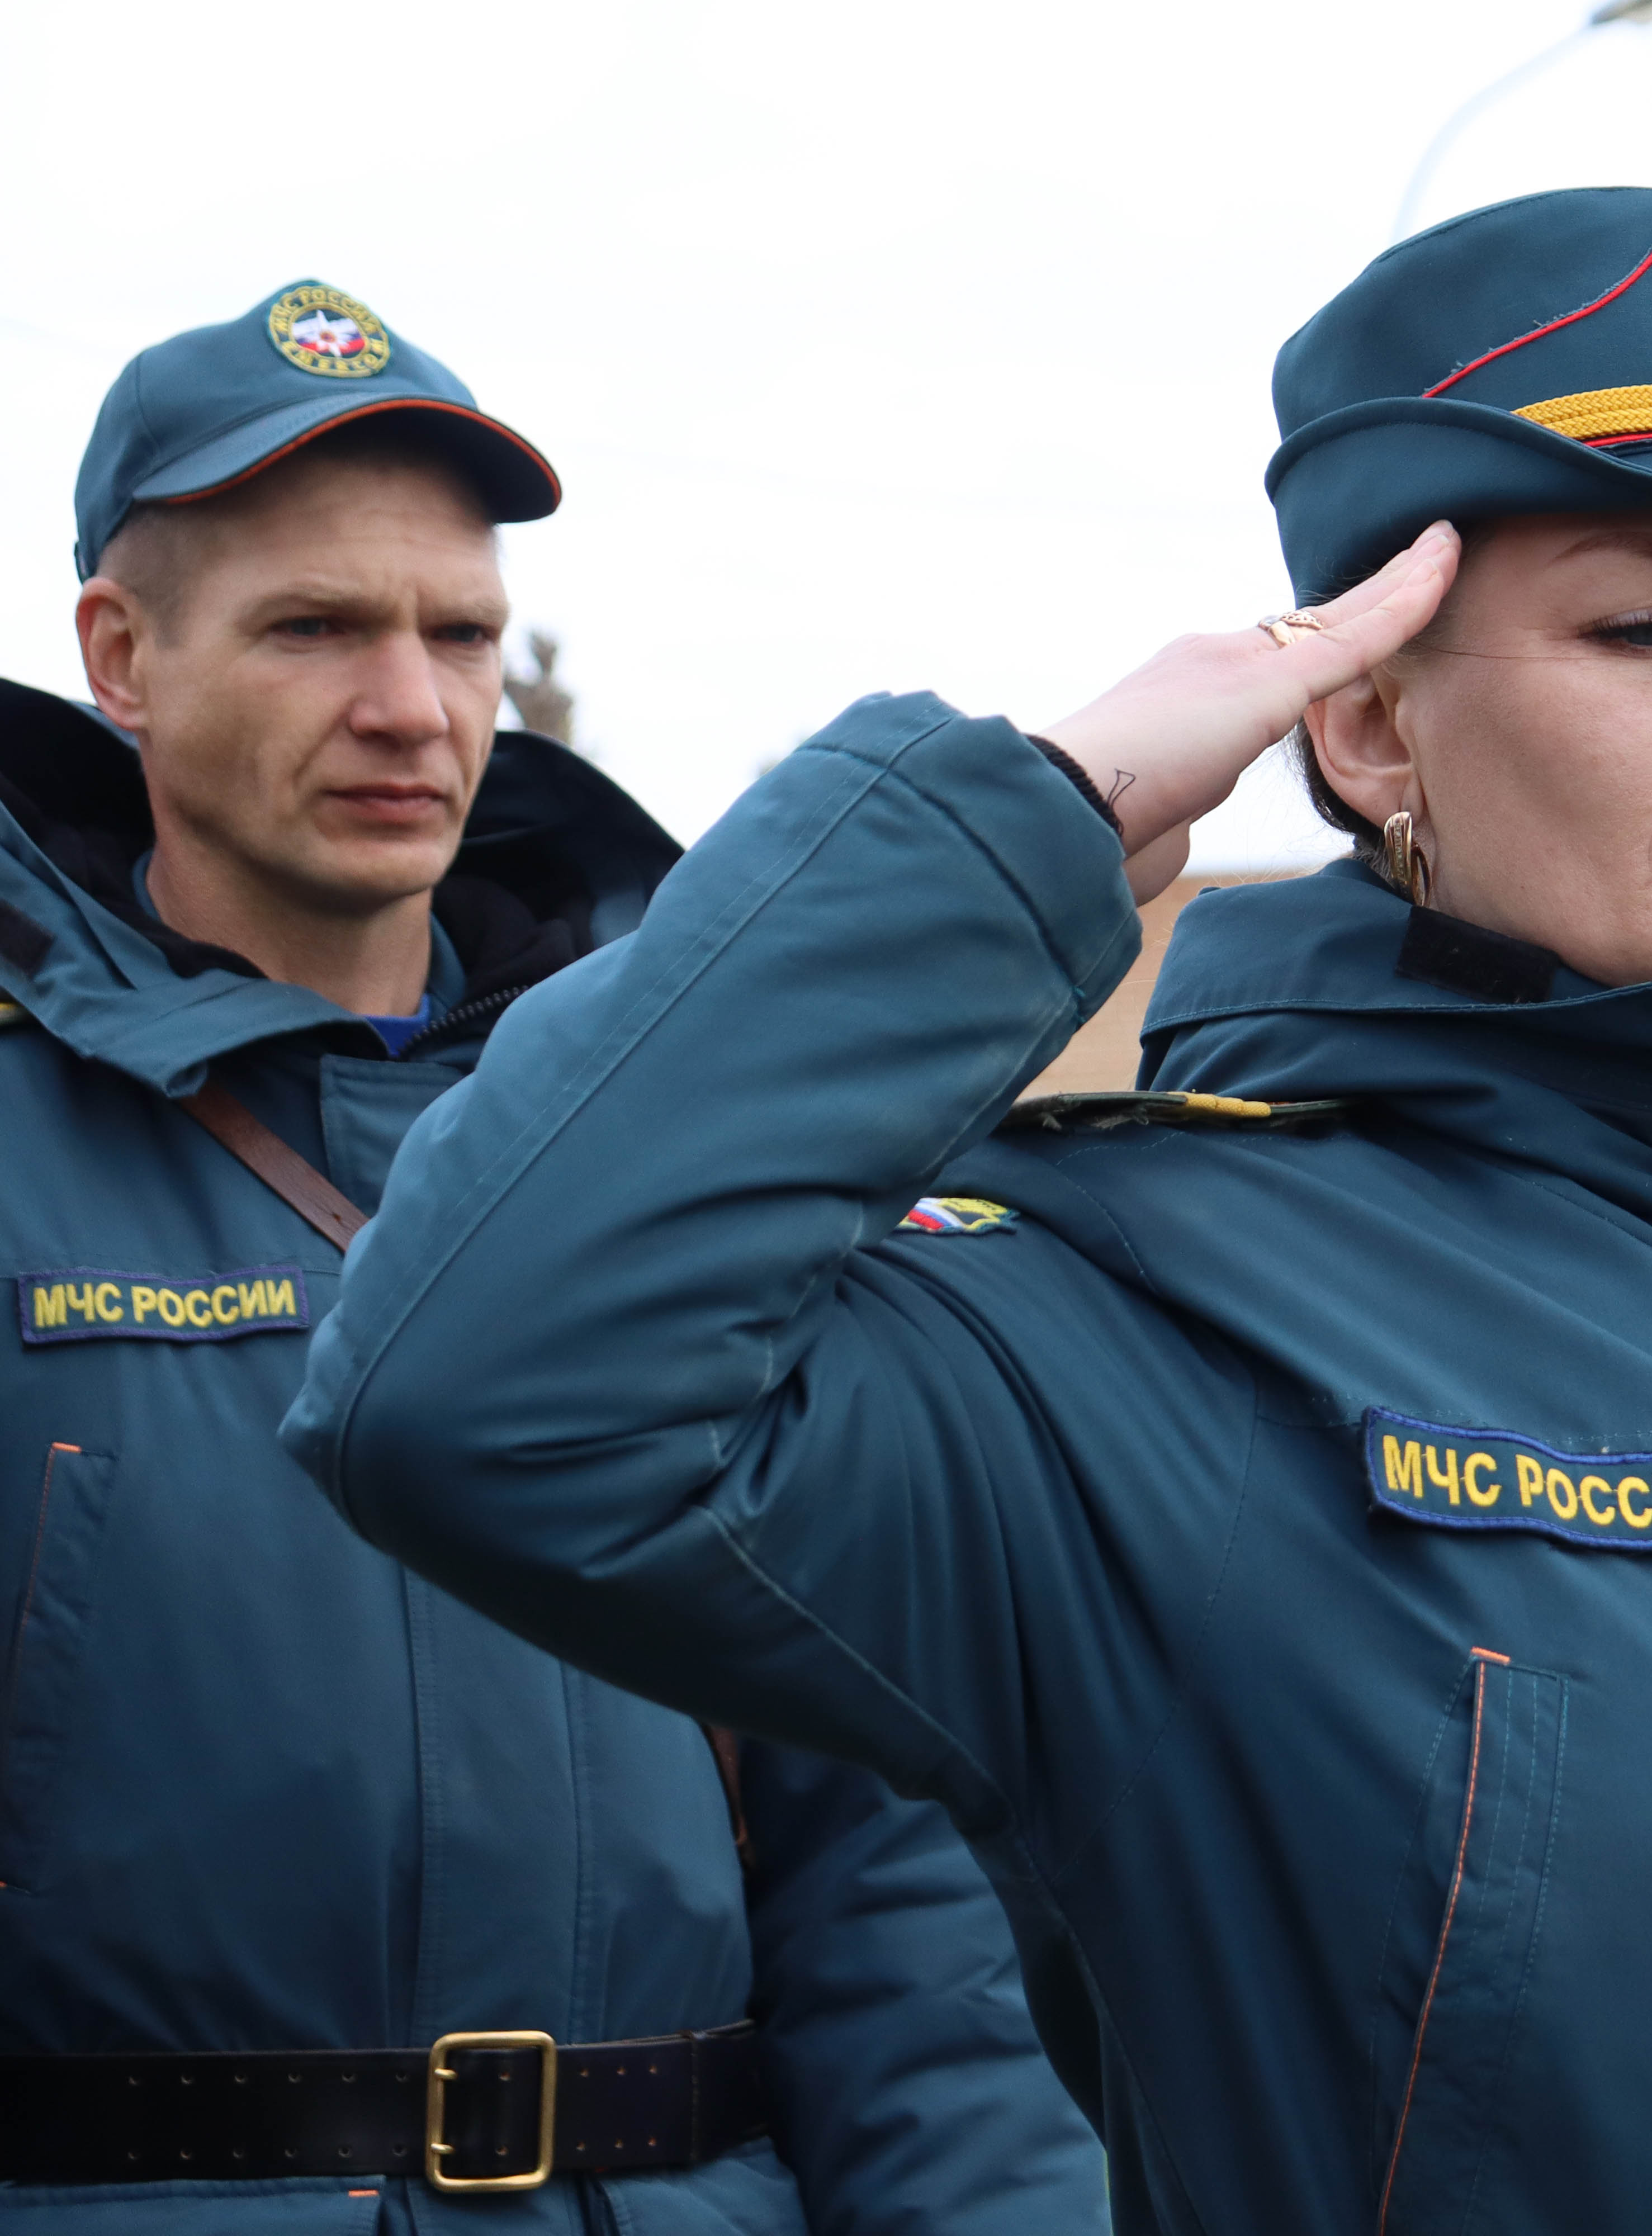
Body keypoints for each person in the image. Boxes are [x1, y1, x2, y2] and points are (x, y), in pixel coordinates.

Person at [289, 191, 1652, 2234]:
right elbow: (477, 1396)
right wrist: (1034, 822)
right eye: (1651, 626)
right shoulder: (1137, 1318)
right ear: (1374, 723)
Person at [0, 283, 1110, 2233]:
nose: (412, 707)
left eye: (461, 634)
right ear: (123, 656)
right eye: (314, 628)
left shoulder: (705, 1155)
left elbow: (901, 1895)